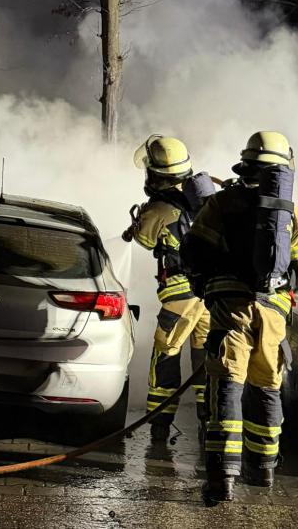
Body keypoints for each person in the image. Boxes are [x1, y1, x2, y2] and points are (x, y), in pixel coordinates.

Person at [182, 131, 298, 503]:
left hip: (230, 308)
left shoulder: (220, 204)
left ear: (246, 163)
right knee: (268, 387)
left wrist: (207, 287)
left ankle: (222, 478)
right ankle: (265, 470)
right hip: (272, 312)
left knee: (228, 385)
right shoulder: (292, 211)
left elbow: (193, 254)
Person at [123, 135, 214, 442]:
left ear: (155, 173)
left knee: (165, 354)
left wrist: (139, 221)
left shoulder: (159, 208)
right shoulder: (202, 199)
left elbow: (145, 240)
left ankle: (160, 424)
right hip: (208, 294)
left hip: (180, 297)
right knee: (203, 356)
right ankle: (207, 421)